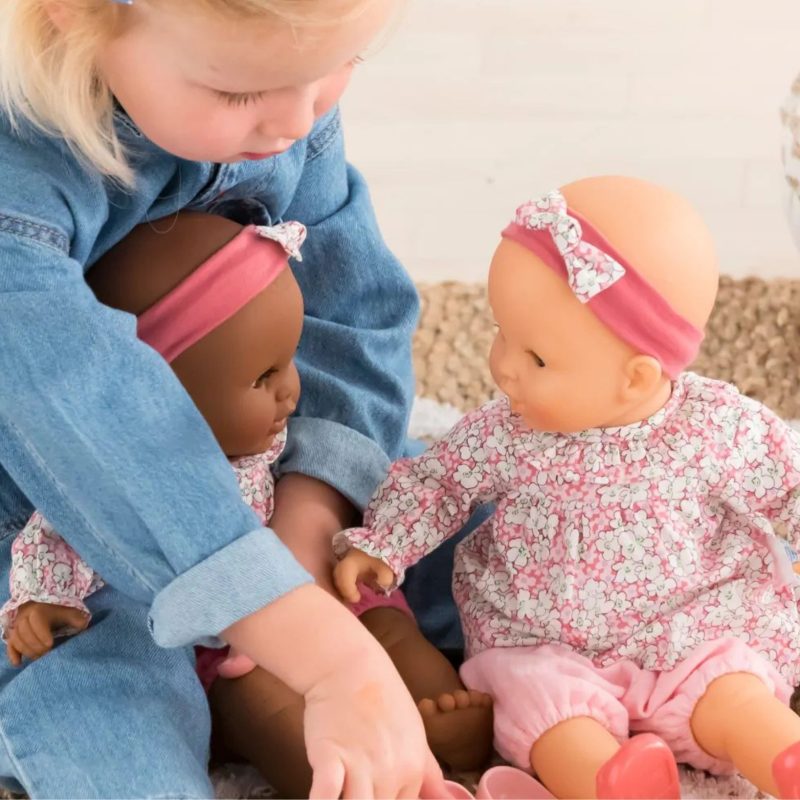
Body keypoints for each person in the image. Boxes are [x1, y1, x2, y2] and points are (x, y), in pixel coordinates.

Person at [0, 0, 447, 796]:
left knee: (480, 505)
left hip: (263, 456)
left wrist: (309, 519)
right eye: (239, 93)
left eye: (336, 69)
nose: (295, 121)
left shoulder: (289, 107)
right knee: (100, 692)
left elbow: (353, 320)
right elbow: (83, 413)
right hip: (52, 515)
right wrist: (321, 653)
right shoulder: (17, 185)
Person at [335, 176, 800, 799]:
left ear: (635, 379)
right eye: (503, 334)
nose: (502, 366)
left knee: (734, 688)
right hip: (543, 642)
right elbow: (438, 482)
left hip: (691, 628)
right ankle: (612, 782)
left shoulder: (716, 427)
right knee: (542, 713)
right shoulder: (505, 434)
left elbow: (789, 482)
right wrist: (384, 542)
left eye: (537, 359)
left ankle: (779, 752)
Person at [1, 211, 493, 796]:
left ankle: (445, 723)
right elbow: (57, 532)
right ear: (167, 397)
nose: (292, 389)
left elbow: (356, 467)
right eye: (264, 376)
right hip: (235, 647)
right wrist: (42, 600)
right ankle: (340, 780)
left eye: (288, 361)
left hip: (328, 588)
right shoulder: (126, 473)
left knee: (391, 630)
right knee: (264, 704)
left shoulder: (277, 438)